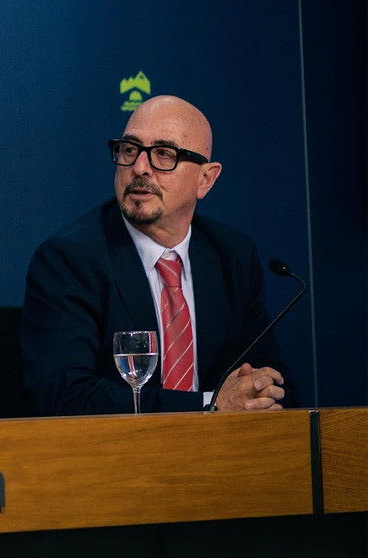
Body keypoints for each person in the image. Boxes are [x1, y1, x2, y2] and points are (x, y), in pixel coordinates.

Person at [21, 95, 300, 415]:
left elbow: (273, 383)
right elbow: (64, 396)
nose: (139, 168)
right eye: (129, 150)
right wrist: (210, 405)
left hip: (224, 447)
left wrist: (260, 395)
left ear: (205, 179)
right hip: (120, 447)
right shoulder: (69, 259)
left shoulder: (232, 255)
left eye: (164, 154)